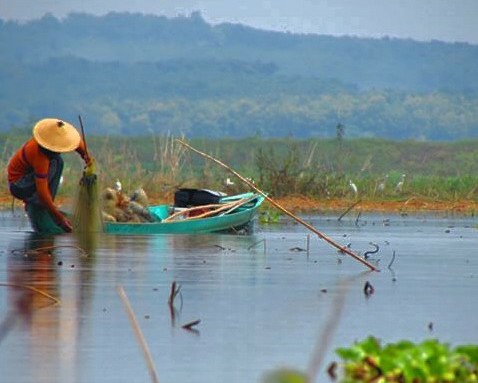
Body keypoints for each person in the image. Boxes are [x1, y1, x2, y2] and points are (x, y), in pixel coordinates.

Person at [7, 118, 92, 233]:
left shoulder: (50, 152)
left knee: (57, 161)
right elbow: (42, 192)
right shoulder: (40, 156)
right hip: (19, 185)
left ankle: (43, 206)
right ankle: (38, 207)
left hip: (28, 179)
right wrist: (60, 219)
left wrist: (85, 155)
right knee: (56, 163)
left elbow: (77, 143)